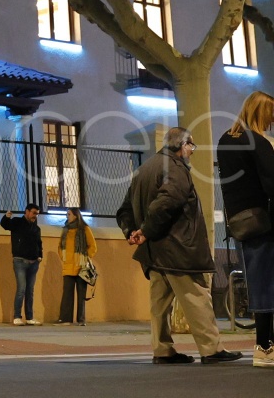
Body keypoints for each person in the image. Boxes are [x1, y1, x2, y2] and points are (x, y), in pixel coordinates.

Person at [117, 126, 242, 364]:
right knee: (196, 298)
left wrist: (132, 231)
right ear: (182, 145)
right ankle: (211, 349)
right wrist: (146, 230)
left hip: (153, 252)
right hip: (178, 249)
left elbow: (124, 209)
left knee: (159, 305)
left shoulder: (145, 168)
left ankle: (162, 350)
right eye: (191, 146)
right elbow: (167, 201)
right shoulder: (175, 168)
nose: (192, 151)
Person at [217, 91, 274, 367]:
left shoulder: (225, 140)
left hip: (241, 222)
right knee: (266, 282)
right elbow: (271, 184)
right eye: (271, 115)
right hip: (264, 221)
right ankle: (264, 346)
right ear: (262, 113)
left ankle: (265, 345)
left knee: (258, 280)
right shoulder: (258, 142)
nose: (272, 122)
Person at [0, 203, 43, 325]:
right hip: (20, 261)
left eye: (37, 214)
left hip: (34, 262)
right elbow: (5, 225)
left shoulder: (36, 228)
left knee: (30, 291)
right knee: (21, 289)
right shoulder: (17, 222)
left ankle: (29, 317)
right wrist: (6, 217)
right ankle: (17, 317)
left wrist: (40, 256)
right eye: (34, 213)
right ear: (27, 211)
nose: (35, 216)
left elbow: (39, 243)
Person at [56, 208, 97, 326]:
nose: (67, 216)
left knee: (81, 295)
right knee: (67, 294)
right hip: (68, 266)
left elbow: (93, 246)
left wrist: (84, 257)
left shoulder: (85, 229)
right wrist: (63, 257)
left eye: (69, 214)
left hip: (81, 267)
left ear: (75, 215)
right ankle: (65, 319)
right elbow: (60, 246)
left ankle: (81, 320)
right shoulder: (65, 230)